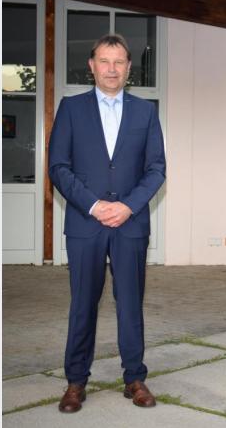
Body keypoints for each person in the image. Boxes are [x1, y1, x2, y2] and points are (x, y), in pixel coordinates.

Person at [49, 34, 166, 413]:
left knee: (130, 303)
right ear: (92, 65)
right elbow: (58, 167)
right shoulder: (71, 108)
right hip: (86, 224)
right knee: (83, 303)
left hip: (130, 225)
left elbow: (156, 169)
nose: (112, 68)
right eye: (104, 61)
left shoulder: (146, 112)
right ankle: (75, 382)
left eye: (119, 62)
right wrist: (94, 204)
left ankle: (134, 377)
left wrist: (128, 207)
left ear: (129, 68)